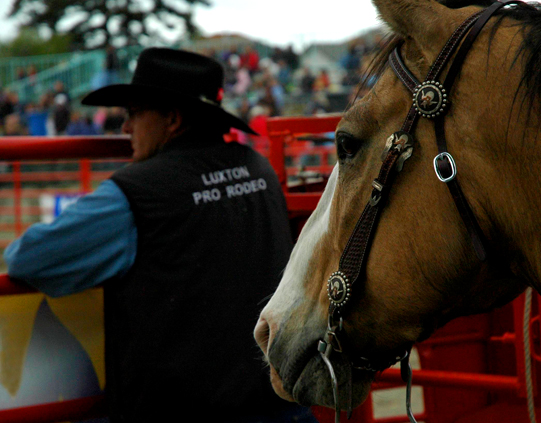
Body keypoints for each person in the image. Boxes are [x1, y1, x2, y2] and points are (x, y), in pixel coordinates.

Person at [3, 47, 316, 423]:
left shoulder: (137, 192)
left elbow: (27, 257)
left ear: (171, 118)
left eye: (134, 113)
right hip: (283, 407)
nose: (124, 128)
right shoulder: (258, 168)